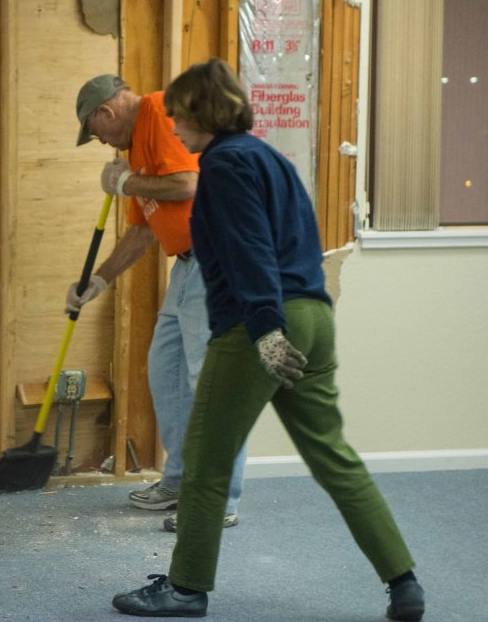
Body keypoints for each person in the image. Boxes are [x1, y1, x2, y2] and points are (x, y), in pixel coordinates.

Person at [110, 58, 424, 621]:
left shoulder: (225, 164)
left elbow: (249, 248)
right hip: (314, 318)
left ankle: (184, 590)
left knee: (206, 461)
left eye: (180, 117)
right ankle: (404, 582)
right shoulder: (270, 158)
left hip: (260, 324)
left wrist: (264, 329)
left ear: (203, 113)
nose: (174, 129)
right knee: (334, 458)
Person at [69, 74, 247, 531]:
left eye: (95, 131)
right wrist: (98, 280)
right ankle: (181, 481)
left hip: (216, 261)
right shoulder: (135, 151)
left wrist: (128, 183)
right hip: (185, 268)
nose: (101, 141)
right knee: (167, 373)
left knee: (212, 383)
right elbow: (142, 230)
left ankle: (217, 499)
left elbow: (188, 184)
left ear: (107, 112)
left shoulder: (159, 111)